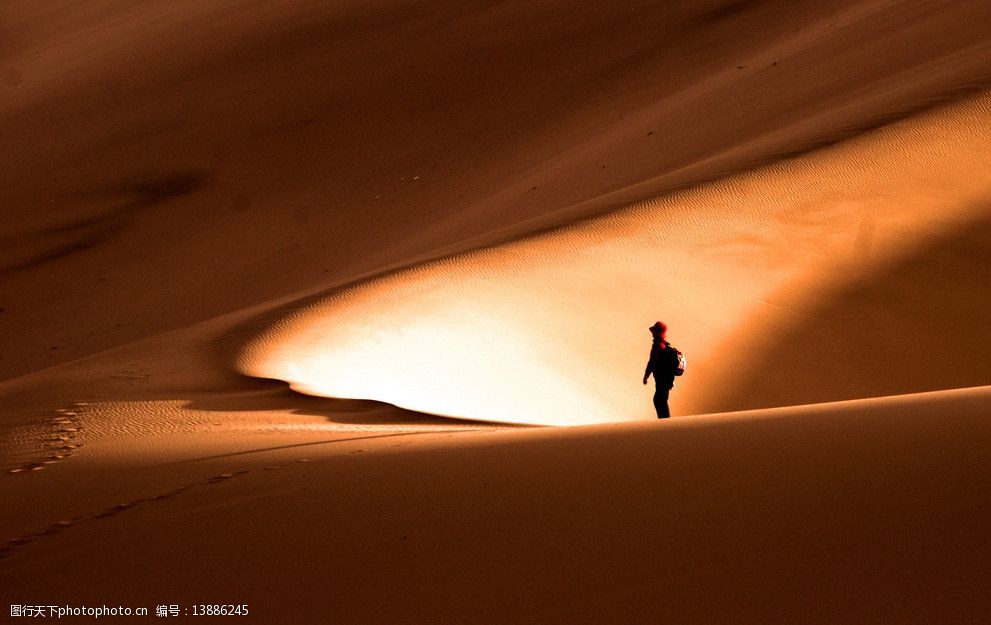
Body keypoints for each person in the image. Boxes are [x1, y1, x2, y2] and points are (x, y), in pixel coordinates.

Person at [642, 321, 680, 419]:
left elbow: (651, 361)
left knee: (659, 400)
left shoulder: (657, 346)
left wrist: (646, 375)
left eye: (654, 331)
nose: (652, 334)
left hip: (662, 379)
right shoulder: (665, 345)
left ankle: (665, 423)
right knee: (661, 399)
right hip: (667, 379)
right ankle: (665, 422)